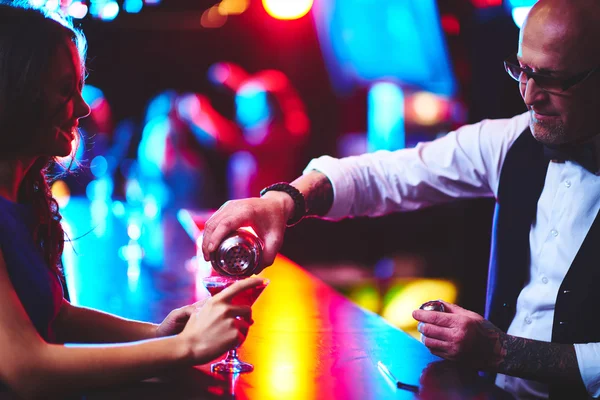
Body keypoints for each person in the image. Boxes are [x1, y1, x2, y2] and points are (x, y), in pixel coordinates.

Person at [201, 0, 600, 398]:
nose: (529, 96)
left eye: (551, 80)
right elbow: (385, 175)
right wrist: (286, 200)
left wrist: (502, 351)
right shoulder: (510, 141)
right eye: (522, 71)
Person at [0, 3, 265, 399]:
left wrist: (157, 333)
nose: (84, 107)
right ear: (14, 93)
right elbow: (26, 367)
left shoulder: (20, 198)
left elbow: (56, 316)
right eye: (64, 90)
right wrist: (186, 346)